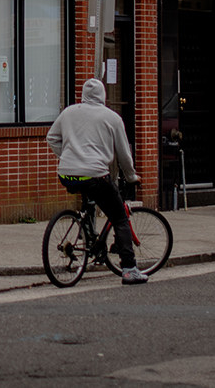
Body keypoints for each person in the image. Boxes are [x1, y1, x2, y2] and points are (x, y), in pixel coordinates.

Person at [46, 77, 146, 284]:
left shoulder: (69, 112)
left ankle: (89, 236)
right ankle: (129, 269)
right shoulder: (112, 118)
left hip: (67, 174)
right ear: (103, 95)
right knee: (119, 218)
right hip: (95, 174)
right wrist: (131, 176)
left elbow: (52, 138)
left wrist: (66, 156)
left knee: (88, 194)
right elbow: (124, 154)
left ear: (83, 94)